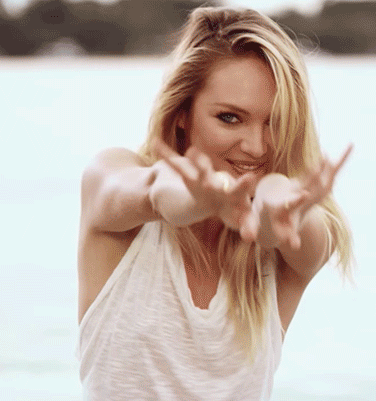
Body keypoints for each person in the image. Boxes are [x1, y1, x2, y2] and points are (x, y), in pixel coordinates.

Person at [76, 6, 354, 400]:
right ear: (183, 114)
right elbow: (155, 188)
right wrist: (204, 196)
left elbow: (299, 231)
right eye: (229, 118)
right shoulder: (113, 178)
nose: (255, 147)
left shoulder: (298, 227)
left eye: (273, 122)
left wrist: (273, 209)